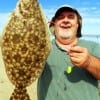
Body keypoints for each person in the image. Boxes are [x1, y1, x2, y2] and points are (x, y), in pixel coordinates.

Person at [37, 5, 100, 100]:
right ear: (54, 24)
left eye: (71, 17)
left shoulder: (94, 46)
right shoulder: (41, 48)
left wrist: (89, 61)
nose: (65, 20)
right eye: (60, 17)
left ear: (77, 24)